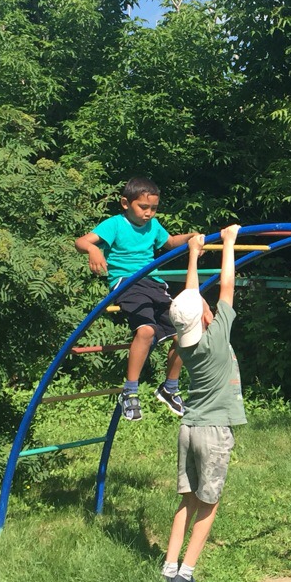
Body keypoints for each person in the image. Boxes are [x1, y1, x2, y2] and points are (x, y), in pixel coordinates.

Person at [162, 225, 248, 582]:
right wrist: (228, 243)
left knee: (189, 500)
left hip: (189, 428)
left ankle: (169, 565)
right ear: (206, 319)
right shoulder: (216, 338)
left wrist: (194, 255)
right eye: (208, 308)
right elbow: (227, 287)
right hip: (213, 433)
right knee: (208, 504)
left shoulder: (185, 345)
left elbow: (189, 300)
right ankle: (185, 574)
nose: (211, 306)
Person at [75, 177, 196, 421]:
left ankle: (170, 387)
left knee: (184, 332)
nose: (148, 213)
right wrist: (94, 249)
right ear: (125, 203)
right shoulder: (115, 224)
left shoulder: (153, 226)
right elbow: (81, 241)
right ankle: (130, 392)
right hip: (127, 283)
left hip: (153, 283)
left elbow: (171, 242)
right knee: (146, 331)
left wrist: (191, 237)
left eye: (154, 208)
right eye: (143, 207)